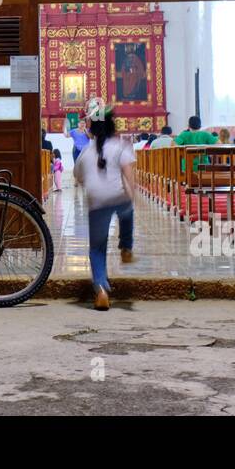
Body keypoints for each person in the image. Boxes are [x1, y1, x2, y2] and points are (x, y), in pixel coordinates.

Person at [72, 98, 135, 312]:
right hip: (118, 197)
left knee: (97, 249)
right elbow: (129, 177)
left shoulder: (85, 153)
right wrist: (130, 196)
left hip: (96, 202)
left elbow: (79, 178)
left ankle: (101, 291)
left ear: (92, 129)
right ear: (112, 126)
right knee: (128, 211)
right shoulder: (121, 146)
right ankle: (126, 246)